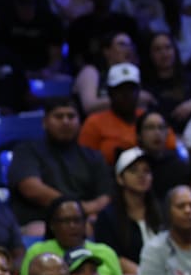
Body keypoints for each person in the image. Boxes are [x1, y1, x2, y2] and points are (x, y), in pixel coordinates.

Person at [8, 96, 113, 233]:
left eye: (71, 116)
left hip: (82, 221)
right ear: (45, 122)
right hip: (41, 221)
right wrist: (76, 208)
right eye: (58, 116)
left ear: (80, 122)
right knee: (38, 230)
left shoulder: (93, 156)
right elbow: (31, 188)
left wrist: (83, 211)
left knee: (99, 226)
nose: (65, 121)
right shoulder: (27, 150)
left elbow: (106, 196)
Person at [20, 196, 124, 275]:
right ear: (52, 225)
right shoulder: (37, 251)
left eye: (77, 220)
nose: (72, 226)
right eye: (65, 221)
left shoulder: (106, 252)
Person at [94, 147, 163, 275]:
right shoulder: (107, 217)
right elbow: (111, 256)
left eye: (147, 171)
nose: (141, 175)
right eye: (133, 171)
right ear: (120, 178)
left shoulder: (162, 211)